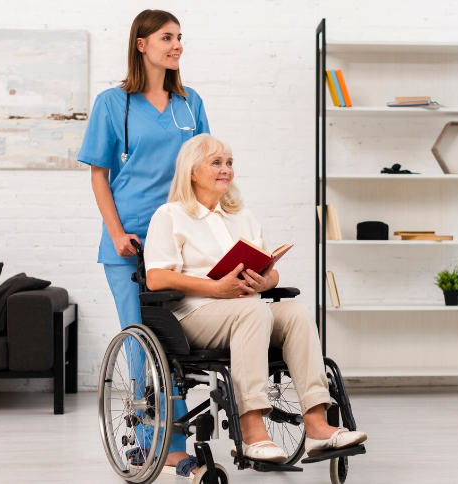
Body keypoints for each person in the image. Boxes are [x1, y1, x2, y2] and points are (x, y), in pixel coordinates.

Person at [144, 134, 367, 463]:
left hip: (245, 312)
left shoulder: (240, 215)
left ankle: (318, 426)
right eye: (217, 163)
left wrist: (264, 280)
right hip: (194, 315)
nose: (226, 169)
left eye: (230, 163)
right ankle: (250, 432)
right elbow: (156, 277)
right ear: (192, 172)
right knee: (253, 311)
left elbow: (269, 270)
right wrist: (215, 288)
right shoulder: (171, 215)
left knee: (295, 311)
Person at [77, 9, 209, 477]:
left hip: (180, 241)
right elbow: (99, 173)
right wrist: (115, 232)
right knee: (143, 343)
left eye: (179, 38)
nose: (176, 45)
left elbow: (206, 168)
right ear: (142, 44)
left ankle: (171, 438)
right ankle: (164, 445)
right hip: (130, 242)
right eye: (167, 37)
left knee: (181, 342)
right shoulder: (113, 103)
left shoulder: (190, 102)